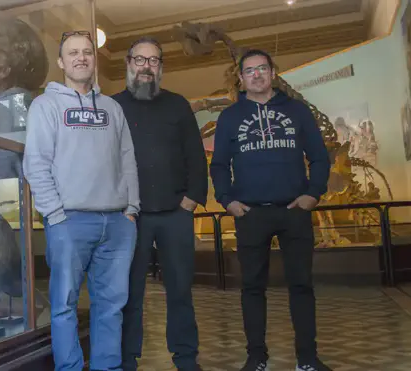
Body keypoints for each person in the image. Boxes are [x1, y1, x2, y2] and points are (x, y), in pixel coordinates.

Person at [23, 30, 140, 371]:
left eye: (87, 52)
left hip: (118, 223)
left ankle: (108, 367)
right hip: (69, 222)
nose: (81, 57)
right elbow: (36, 163)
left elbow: (127, 159)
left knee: (111, 306)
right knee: (63, 306)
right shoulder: (46, 105)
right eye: (72, 52)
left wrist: (131, 210)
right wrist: (55, 215)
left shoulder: (112, 108)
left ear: (94, 58)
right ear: (61, 62)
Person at [209, 49, 332, 371]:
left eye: (262, 68)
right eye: (249, 71)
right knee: (251, 288)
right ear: (241, 78)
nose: (257, 75)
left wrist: (313, 195)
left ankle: (307, 359)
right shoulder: (230, 117)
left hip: (294, 211)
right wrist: (227, 200)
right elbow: (219, 164)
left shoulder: (297, 111)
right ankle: (256, 357)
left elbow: (320, 157)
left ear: (273, 72)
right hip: (250, 214)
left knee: (302, 286)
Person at [112, 37, 208, 371]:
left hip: (175, 214)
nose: (146, 67)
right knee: (129, 294)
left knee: (180, 290)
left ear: (160, 68)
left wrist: (191, 201)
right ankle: (127, 360)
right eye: (140, 60)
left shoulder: (178, 105)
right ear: (128, 64)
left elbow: (196, 156)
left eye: (153, 61)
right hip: (129, 217)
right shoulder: (113, 107)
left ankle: (185, 357)